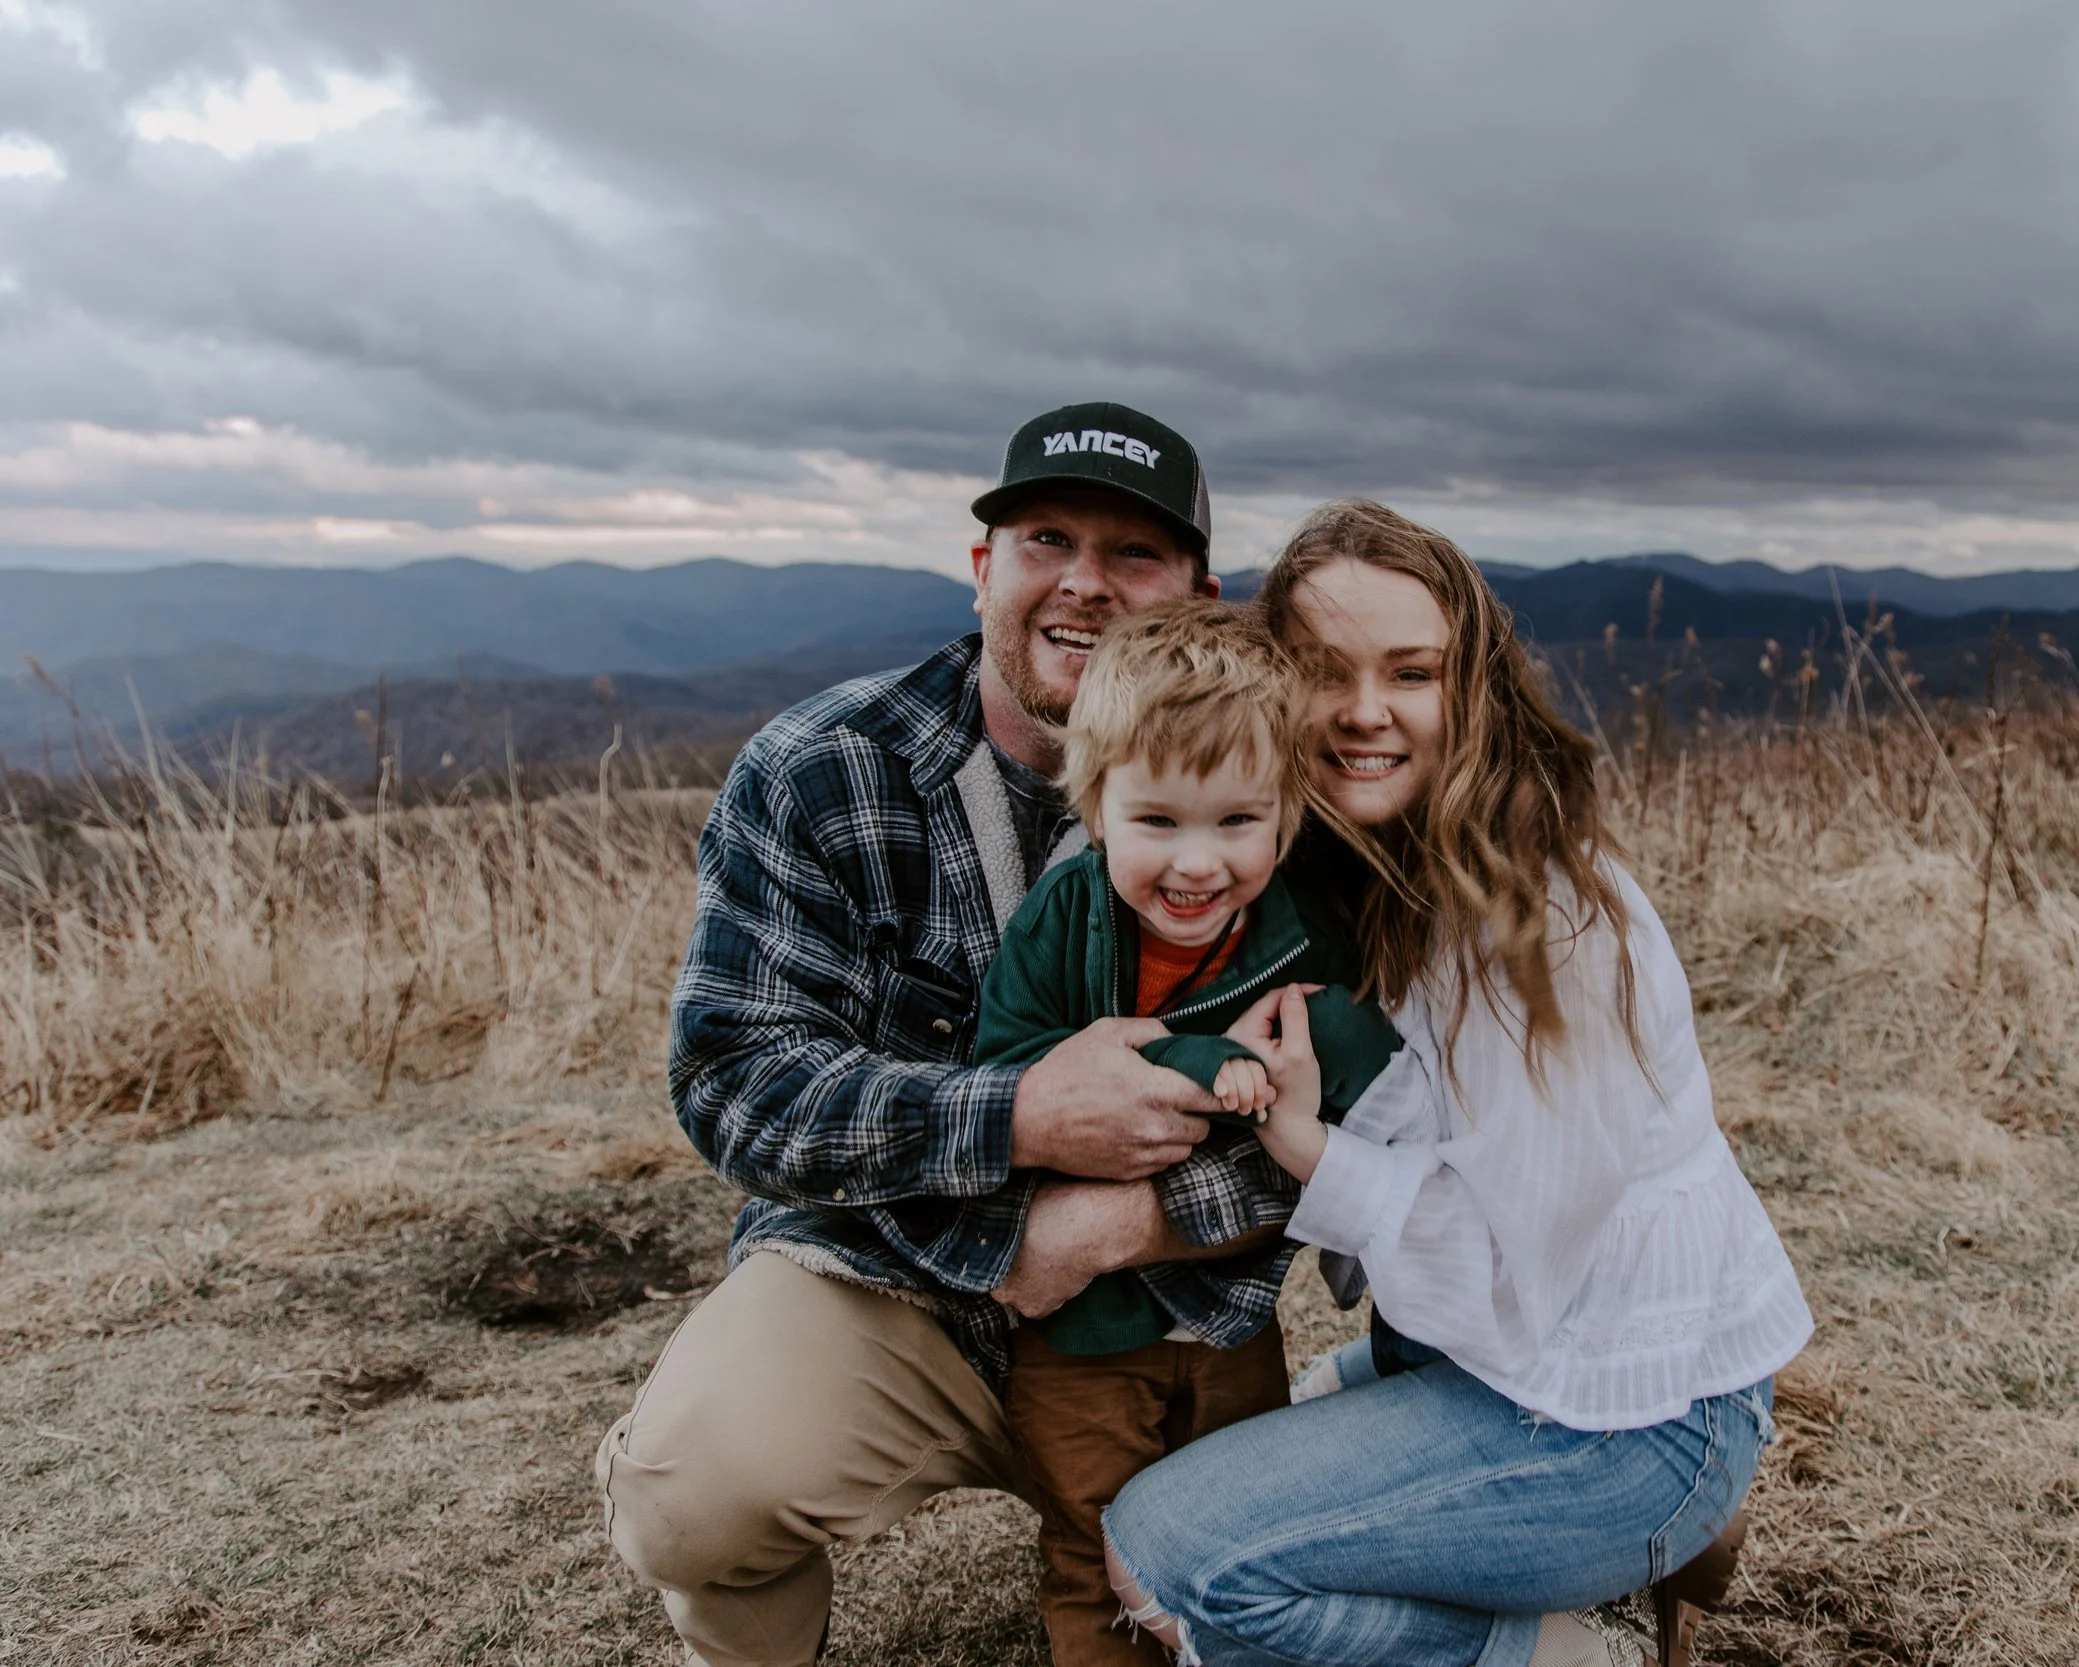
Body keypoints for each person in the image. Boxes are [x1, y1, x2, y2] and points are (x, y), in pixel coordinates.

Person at [595, 402, 1304, 1667]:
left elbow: (1347, 1085)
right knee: (693, 1491)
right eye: (1046, 537)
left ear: (1199, 594)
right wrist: (1019, 1119)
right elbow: (738, 1081)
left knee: (1245, 1602)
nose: (1084, 581)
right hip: (896, 1288)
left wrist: (1117, 1225)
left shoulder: (1272, 803)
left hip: (1176, 1316)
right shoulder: (821, 769)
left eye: (1132, 553)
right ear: (985, 570)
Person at [1101, 500, 1817, 1667]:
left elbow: (1501, 1269)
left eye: (1411, 671)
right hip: (1500, 1355)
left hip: (1620, 1413)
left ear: (1469, 685)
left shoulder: (1546, 928)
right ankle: (1618, 1560)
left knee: (1177, 1551)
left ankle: (1574, 1652)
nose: (1364, 709)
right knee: (1215, 1490)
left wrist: (1305, 1150)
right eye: (1323, 671)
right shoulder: (1368, 864)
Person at [972, 598, 1402, 1665]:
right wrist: (1191, 1062)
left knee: (1234, 1525)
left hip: (1229, 1312)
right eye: (1157, 821)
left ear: (1285, 814)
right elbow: (1001, 1070)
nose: (1197, 863)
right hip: (1082, 1336)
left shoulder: (1306, 925)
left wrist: (1316, 1041)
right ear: (1096, 806)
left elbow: (1365, 1059)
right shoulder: (1062, 919)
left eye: (1235, 822)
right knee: (1094, 1536)